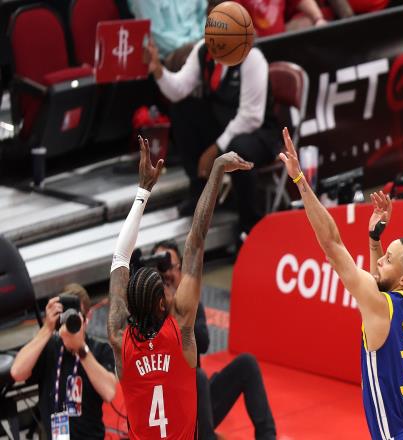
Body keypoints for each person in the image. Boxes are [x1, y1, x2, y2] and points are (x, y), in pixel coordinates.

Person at [279, 127, 403, 439]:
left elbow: (332, 245)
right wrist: (375, 240)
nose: (380, 260)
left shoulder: (380, 306)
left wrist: (300, 181)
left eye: (388, 258)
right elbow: (380, 284)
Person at [107, 135, 252, 439]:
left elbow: (120, 257)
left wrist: (142, 192)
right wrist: (216, 170)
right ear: (162, 304)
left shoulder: (119, 338)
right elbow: (196, 241)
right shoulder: (181, 329)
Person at [147, 0, 282, 236]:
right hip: (224, 124)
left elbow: (251, 117)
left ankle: (249, 224)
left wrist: (215, 150)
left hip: (259, 133)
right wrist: (158, 70)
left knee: (238, 147)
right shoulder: (203, 50)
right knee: (183, 109)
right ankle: (200, 191)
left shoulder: (252, 57)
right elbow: (178, 89)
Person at [152, 240, 276, 440]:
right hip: (162, 412)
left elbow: (203, 342)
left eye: (170, 266)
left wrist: (177, 309)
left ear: (180, 270)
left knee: (246, 364)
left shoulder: (190, 304)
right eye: (160, 267)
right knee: (198, 378)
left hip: (196, 403)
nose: (166, 273)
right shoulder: (147, 310)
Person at [10, 284, 117, 439]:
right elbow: (17, 372)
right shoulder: (49, 347)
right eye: (66, 316)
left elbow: (109, 392)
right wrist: (47, 327)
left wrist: (81, 349)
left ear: (86, 318)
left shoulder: (99, 349)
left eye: (76, 315)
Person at [128, 0, 207, 71]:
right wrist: (193, 45)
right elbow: (155, 35)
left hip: (200, 41)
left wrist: (200, 41)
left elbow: (204, 15)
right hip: (169, 54)